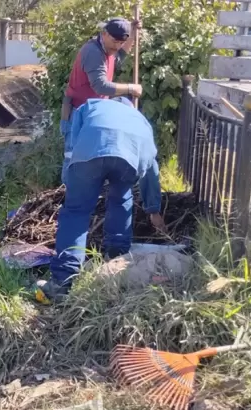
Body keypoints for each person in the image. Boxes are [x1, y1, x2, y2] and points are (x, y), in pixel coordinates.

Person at [39, 97, 167, 302]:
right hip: (129, 160)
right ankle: (116, 260)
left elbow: (71, 146)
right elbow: (151, 168)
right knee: (121, 200)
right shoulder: (140, 119)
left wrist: (69, 180)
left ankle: (63, 282)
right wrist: (153, 209)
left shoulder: (90, 105)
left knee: (76, 212)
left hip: (90, 152)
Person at [61, 18, 143, 181]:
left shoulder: (109, 50)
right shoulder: (93, 52)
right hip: (77, 114)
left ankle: (85, 193)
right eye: (115, 41)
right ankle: (68, 197)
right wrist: (130, 88)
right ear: (104, 34)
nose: (118, 46)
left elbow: (120, 55)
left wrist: (133, 34)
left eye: (121, 42)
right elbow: (101, 86)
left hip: (94, 112)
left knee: (91, 157)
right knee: (73, 158)